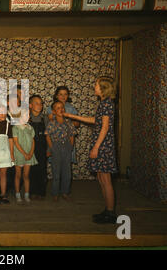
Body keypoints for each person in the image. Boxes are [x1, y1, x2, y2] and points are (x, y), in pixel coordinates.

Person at [64, 77, 117, 224]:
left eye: (96, 84)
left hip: (103, 146)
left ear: (103, 88)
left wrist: (96, 147)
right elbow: (95, 120)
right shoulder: (103, 103)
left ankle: (111, 213)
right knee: (101, 178)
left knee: (106, 180)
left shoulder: (107, 104)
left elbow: (105, 127)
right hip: (102, 145)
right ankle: (107, 209)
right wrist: (71, 115)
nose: (94, 86)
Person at [46, 101, 77, 202]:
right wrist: (52, 148)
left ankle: (65, 192)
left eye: (62, 107)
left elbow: (72, 135)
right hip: (56, 147)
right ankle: (55, 193)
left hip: (67, 147)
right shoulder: (52, 123)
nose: (61, 109)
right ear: (54, 111)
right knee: (56, 171)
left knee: (67, 172)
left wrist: (70, 147)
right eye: (58, 108)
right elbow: (47, 136)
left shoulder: (68, 122)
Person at [47, 86, 80, 164]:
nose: (63, 96)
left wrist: (68, 122)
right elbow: (51, 120)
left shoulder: (71, 108)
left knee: (66, 163)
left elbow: (77, 123)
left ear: (68, 95)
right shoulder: (51, 107)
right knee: (57, 163)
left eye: (65, 94)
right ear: (56, 96)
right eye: (60, 94)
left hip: (68, 139)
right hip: (56, 139)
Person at [12, 110, 37, 204]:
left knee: (26, 175)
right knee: (18, 175)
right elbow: (16, 142)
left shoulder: (30, 128)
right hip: (19, 154)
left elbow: (33, 141)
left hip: (29, 154)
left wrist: (30, 153)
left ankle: (27, 194)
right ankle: (17, 194)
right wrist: (24, 154)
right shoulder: (15, 128)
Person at [28, 95, 48, 200]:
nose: (39, 105)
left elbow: (48, 135)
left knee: (42, 169)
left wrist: (49, 149)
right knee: (31, 170)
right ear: (30, 105)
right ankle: (32, 191)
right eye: (36, 103)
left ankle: (41, 192)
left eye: (41, 103)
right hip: (29, 148)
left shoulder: (45, 118)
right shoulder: (27, 117)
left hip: (42, 147)